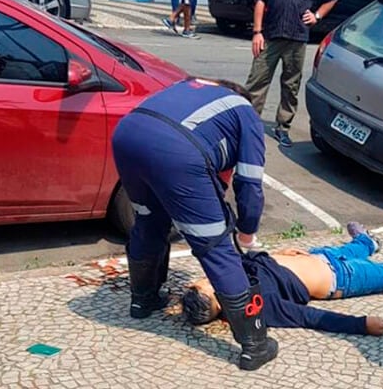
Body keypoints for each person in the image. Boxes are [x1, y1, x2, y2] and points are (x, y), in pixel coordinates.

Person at [111, 76, 278, 371]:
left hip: (126, 136)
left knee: (149, 219)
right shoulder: (246, 112)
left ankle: (142, 300)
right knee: (215, 245)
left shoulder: (190, 88)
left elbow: (217, 171)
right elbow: (250, 182)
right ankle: (255, 345)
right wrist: (247, 232)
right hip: (176, 151)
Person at [182, 222, 383, 335]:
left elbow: (251, 258)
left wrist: (279, 253)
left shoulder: (229, 276)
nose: (209, 278)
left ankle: (367, 243)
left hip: (318, 256)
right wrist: (362, 325)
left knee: (347, 249)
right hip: (343, 278)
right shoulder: (258, 305)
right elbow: (310, 317)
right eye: (206, 283)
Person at [245, 0, 339, 147]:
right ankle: (247, 125)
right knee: (257, 82)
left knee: (291, 86)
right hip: (270, 35)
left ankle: (282, 127)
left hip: (297, 38)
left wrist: (317, 16)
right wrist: (257, 32)